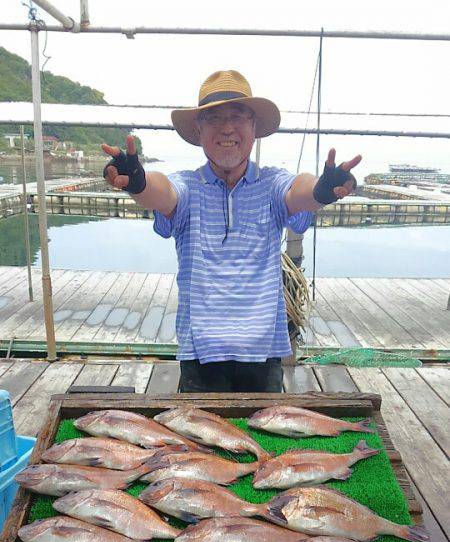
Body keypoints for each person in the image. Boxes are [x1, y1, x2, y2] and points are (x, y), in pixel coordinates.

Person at [102, 70, 361, 392]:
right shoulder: (187, 185)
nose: (227, 128)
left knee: (264, 435)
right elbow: (162, 193)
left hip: (263, 349)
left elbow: (299, 190)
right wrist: (138, 180)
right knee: (197, 440)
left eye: (238, 116)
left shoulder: (271, 184)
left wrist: (322, 190)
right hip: (201, 352)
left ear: (254, 128)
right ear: (198, 129)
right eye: (214, 118)